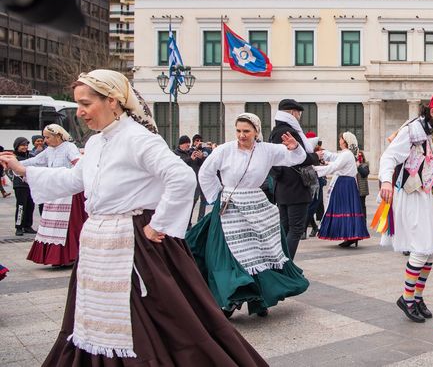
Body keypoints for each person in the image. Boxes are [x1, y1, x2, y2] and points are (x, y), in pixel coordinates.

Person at [0, 69, 267, 365]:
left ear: (113, 101)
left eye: (86, 103)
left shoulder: (138, 138)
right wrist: (25, 170)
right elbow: (75, 179)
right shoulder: (97, 142)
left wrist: (159, 225)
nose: (80, 112)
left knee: (155, 319)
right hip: (100, 245)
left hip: (135, 244)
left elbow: (180, 177)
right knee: (95, 316)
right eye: (78, 104)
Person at [187, 113, 310, 318]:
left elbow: (297, 159)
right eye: (238, 131)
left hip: (256, 203)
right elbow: (206, 172)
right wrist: (218, 196)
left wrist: (295, 147)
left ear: (256, 132)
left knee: (259, 252)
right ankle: (230, 299)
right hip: (231, 206)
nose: (242, 135)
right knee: (230, 253)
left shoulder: (267, 150)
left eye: (246, 131)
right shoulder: (226, 149)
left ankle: (260, 298)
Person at [378, 93, 433, 323]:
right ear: (432, 112)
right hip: (410, 194)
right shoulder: (411, 130)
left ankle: (417, 296)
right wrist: (386, 181)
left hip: (427, 194)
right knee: (420, 247)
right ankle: (407, 299)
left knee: (431, 250)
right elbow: (389, 157)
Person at [21, 124, 87, 266]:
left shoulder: (69, 147)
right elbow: (35, 161)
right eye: (44, 137)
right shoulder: (49, 150)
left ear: (58, 135)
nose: (45, 140)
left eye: (47, 137)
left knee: (69, 225)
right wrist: (16, 164)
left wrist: (74, 170)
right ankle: (56, 257)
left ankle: (69, 256)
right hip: (54, 191)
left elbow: (79, 162)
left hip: (69, 192)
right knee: (52, 225)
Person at [268, 99, 322, 258]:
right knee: (296, 228)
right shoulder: (288, 132)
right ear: (292, 112)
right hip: (295, 187)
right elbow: (301, 158)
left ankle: (280, 262)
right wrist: (315, 156)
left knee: (285, 227)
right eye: (298, 113)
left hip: (283, 187)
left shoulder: (275, 131)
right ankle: (286, 266)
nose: (299, 116)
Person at [316, 132, 370, 247]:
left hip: (344, 184)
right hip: (346, 184)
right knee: (346, 209)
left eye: (340, 138)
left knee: (343, 209)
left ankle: (350, 236)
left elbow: (335, 166)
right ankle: (350, 236)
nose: (339, 140)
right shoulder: (346, 154)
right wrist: (324, 154)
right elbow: (335, 158)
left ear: (345, 141)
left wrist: (316, 170)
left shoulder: (346, 154)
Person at [11, 137, 36, 236]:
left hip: (31, 185)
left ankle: (27, 226)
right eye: (22, 145)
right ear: (17, 146)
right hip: (20, 185)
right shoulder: (14, 158)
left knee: (30, 205)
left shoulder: (30, 156)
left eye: (26, 145)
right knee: (21, 206)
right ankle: (19, 227)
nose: (25, 147)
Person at [356, 150, 370, 219]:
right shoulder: (354, 165)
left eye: (360, 156)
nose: (359, 157)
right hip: (355, 188)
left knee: (362, 206)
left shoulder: (365, 165)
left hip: (362, 190)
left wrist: (359, 166)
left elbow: (364, 173)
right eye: (358, 156)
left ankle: (363, 220)